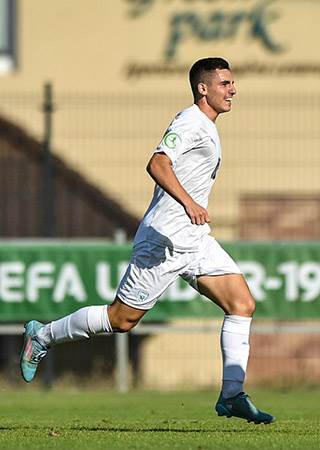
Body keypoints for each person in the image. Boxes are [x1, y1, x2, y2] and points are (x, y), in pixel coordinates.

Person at [20, 57, 274, 425]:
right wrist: (189, 202)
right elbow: (157, 163)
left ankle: (232, 395)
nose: (232, 89)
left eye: (232, 83)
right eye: (224, 83)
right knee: (121, 320)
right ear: (203, 88)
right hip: (164, 240)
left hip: (195, 240)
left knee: (242, 303)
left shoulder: (207, 125)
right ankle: (41, 336)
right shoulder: (190, 121)